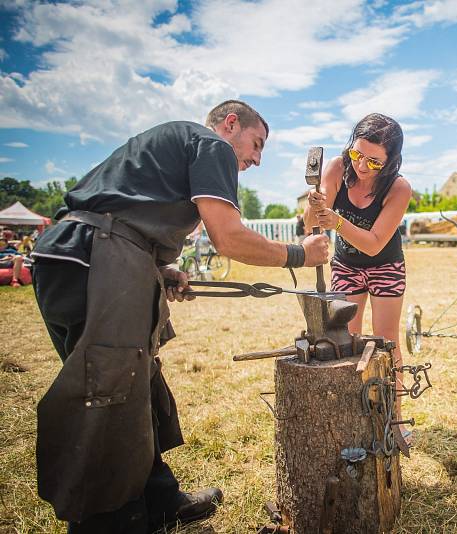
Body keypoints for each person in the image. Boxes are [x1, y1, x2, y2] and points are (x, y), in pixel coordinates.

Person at [30, 99, 329, 533]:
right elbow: (226, 237)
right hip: (97, 261)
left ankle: (159, 499)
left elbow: (121, 211)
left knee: (135, 384)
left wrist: (158, 267)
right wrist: (300, 253)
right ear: (231, 124)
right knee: (108, 394)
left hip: (79, 256)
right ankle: (113, 522)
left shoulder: (180, 142)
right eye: (257, 144)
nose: (256, 159)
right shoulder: (212, 146)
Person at [305, 113, 413, 441]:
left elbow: (374, 243)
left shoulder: (398, 187)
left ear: (391, 161)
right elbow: (313, 220)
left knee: (386, 342)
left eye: (374, 161)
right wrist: (315, 204)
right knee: (347, 342)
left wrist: (336, 221)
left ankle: (394, 420)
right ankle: (356, 416)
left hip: (385, 265)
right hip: (346, 266)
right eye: (357, 154)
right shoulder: (338, 167)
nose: (362, 166)